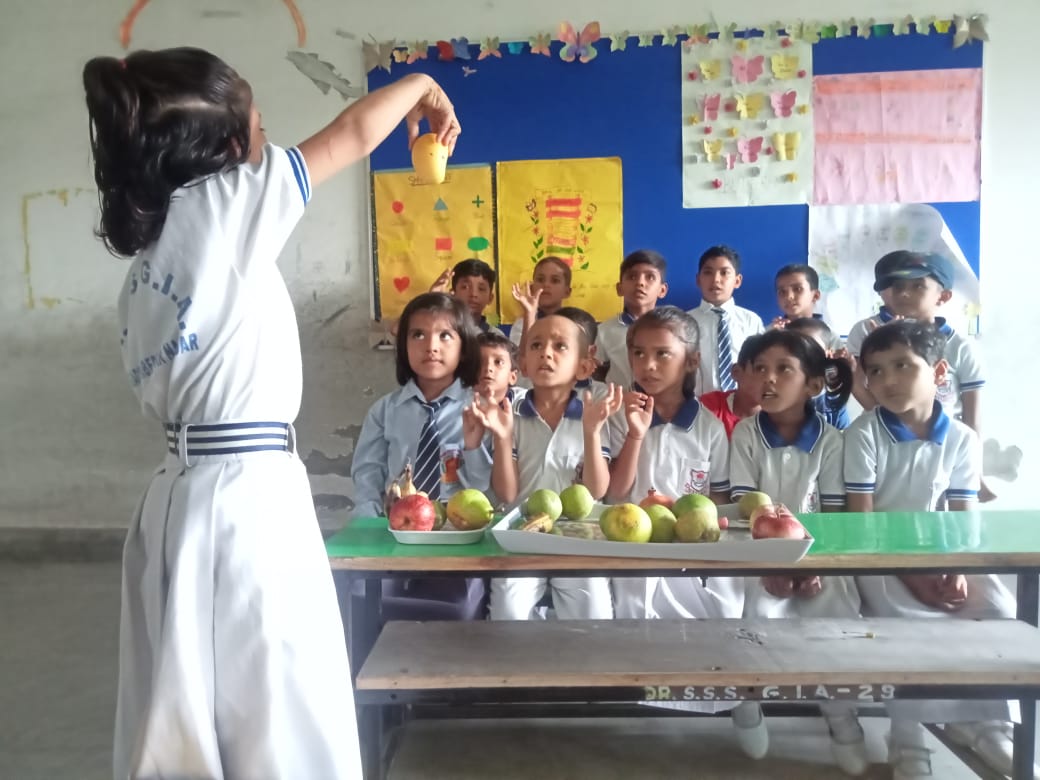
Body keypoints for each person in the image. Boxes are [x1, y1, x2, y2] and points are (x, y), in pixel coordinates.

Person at [86, 46, 459, 778]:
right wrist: (421, 83)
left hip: (179, 496)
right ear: (228, 147)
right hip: (246, 498)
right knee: (276, 706)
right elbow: (351, 135)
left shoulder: (151, 258)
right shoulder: (224, 206)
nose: (269, 137)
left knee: (186, 708)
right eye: (259, 123)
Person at [846, 320, 1024, 780]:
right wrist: (914, 575)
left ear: (939, 372)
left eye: (902, 365)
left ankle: (988, 725)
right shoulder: (864, 434)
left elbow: (964, 518)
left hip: (944, 552)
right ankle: (908, 737)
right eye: (875, 371)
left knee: (998, 611)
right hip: (879, 558)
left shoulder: (962, 437)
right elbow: (863, 522)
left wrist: (956, 569)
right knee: (905, 626)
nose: (887, 380)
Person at [728, 330, 865, 775]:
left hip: (817, 560)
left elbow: (833, 516)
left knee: (833, 623)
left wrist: (812, 566)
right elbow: (745, 508)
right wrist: (771, 565)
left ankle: (842, 719)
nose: (768, 379)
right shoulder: (746, 434)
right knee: (745, 622)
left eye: (783, 369)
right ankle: (746, 703)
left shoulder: (831, 441)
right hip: (757, 557)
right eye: (760, 369)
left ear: (813, 385)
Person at [469, 314, 622, 620]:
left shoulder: (591, 412)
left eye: (560, 346)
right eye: (536, 345)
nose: (546, 353)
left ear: (583, 367)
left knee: (594, 617)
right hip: (520, 536)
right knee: (508, 614)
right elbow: (507, 493)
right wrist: (502, 436)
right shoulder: (511, 412)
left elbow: (596, 491)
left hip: (580, 537)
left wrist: (592, 432)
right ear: (523, 365)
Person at [606, 306, 737, 621]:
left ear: (692, 360)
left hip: (691, 550)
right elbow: (615, 493)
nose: (647, 365)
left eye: (662, 354)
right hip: (632, 547)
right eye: (638, 353)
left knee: (716, 616)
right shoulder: (620, 417)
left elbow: (718, 498)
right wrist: (636, 434)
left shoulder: (709, 428)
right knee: (633, 619)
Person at [846, 251, 994, 500]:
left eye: (917, 286)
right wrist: (898, 419)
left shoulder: (961, 347)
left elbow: (973, 415)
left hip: (943, 443)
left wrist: (975, 469)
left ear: (943, 296)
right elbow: (859, 385)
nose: (904, 293)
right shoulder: (868, 332)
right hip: (884, 437)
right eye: (898, 286)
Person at [688, 245, 764, 395]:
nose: (716, 280)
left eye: (724, 273)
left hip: (743, 403)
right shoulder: (685, 322)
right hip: (698, 403)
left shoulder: (751, 321)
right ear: (698, 279)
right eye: (708, 272)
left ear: (737, 281)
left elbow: (761, 364)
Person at [596, 249, 669, 391]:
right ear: (619, 288)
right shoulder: (604, 331)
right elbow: (593, 375)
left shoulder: (672, 330)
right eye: (632, 277)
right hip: (620, 402)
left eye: (650, 277)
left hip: (662, 402)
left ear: (662, 290)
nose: (640, 283)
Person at [785, 317, 852, 430]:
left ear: (828, 353)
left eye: (812, 347)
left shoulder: (832, 404)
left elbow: (844, 436)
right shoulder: (772, 392)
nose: (801, 354)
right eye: (793, 347)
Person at [699, 336, 763, 439]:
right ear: (736, 372)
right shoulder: (708, 408)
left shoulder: (784, 421)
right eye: (761, 369)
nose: (771, 378)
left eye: (779, 371)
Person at [771, 263, 843, 351]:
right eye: (782, 292)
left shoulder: (830, 336)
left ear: (815, 296)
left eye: (798, 289)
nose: (789, 296)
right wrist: (774, 339)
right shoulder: (770, 333)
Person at [430, 257, 503, 335]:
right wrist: (432, 301)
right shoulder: (442, 330)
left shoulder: (495, 336)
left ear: (490, 298)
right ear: (452, 294)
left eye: (481, 289)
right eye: (465, 287)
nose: (473, 294)